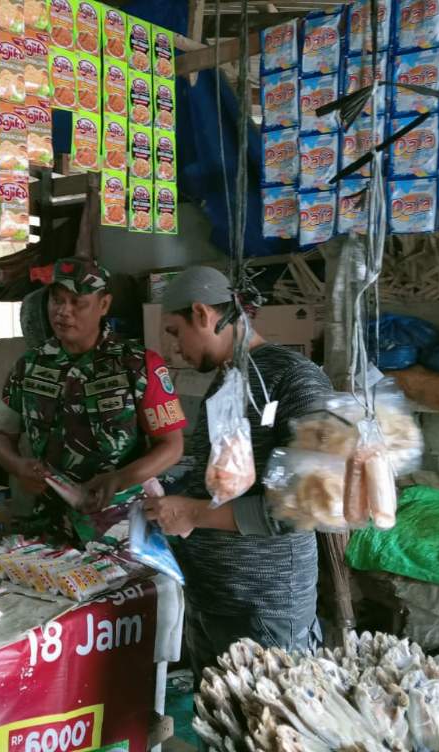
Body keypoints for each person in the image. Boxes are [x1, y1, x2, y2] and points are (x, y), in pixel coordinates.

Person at [142, 266, 332, 673]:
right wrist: (170, 491)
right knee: (215, 713)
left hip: (264, 610)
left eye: (175, 331)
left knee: (266, 714)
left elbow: (302, 506)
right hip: (212, 601)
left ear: (201, 313)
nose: (174, 349)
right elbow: (219, 480)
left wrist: (191, 513)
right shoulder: (228, 381)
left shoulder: (294, 379)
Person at [0, 257, 187, 543]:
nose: (63, 311)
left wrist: (119, 479)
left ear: (104, 305)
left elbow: (172, 445)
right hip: (50, 527)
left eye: (77, 302)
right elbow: (1, 435)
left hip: (122, 527)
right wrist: (18, 466)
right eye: (57, 300)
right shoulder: (29, 366)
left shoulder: (139, 365)